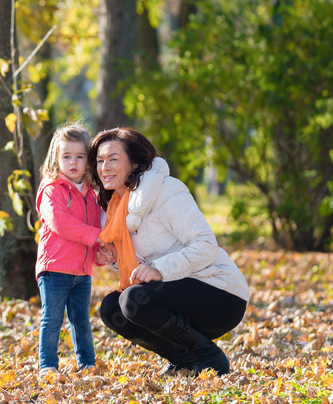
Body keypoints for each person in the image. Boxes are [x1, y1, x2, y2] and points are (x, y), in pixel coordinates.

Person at [90, 127, 249, 376]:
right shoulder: (114, 207)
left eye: (113, 159)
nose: (104, 167)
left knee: (131, 300)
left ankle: (210, 356)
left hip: (220, 293)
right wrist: (113, 258)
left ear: (134, 163)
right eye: (100, 161)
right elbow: (139, 263)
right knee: (112, 308)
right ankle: (182, 359)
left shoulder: (165, 190)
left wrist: (158, 269)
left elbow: (205, 245)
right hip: (178, 290)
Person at [36, 122, 107, 374]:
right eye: (66, 156)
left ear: (88, 160)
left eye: (79, 156)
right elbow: (60, 222)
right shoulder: (51, 189)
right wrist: (94, 237)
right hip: (55, 266)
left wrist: (100, 253)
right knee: (52, 319)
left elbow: (96, 228)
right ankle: (47, 365)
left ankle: (87, 364)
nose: (73, 162)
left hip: (82, 270)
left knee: (82, 322)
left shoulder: (93, 194)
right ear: (56, 158)